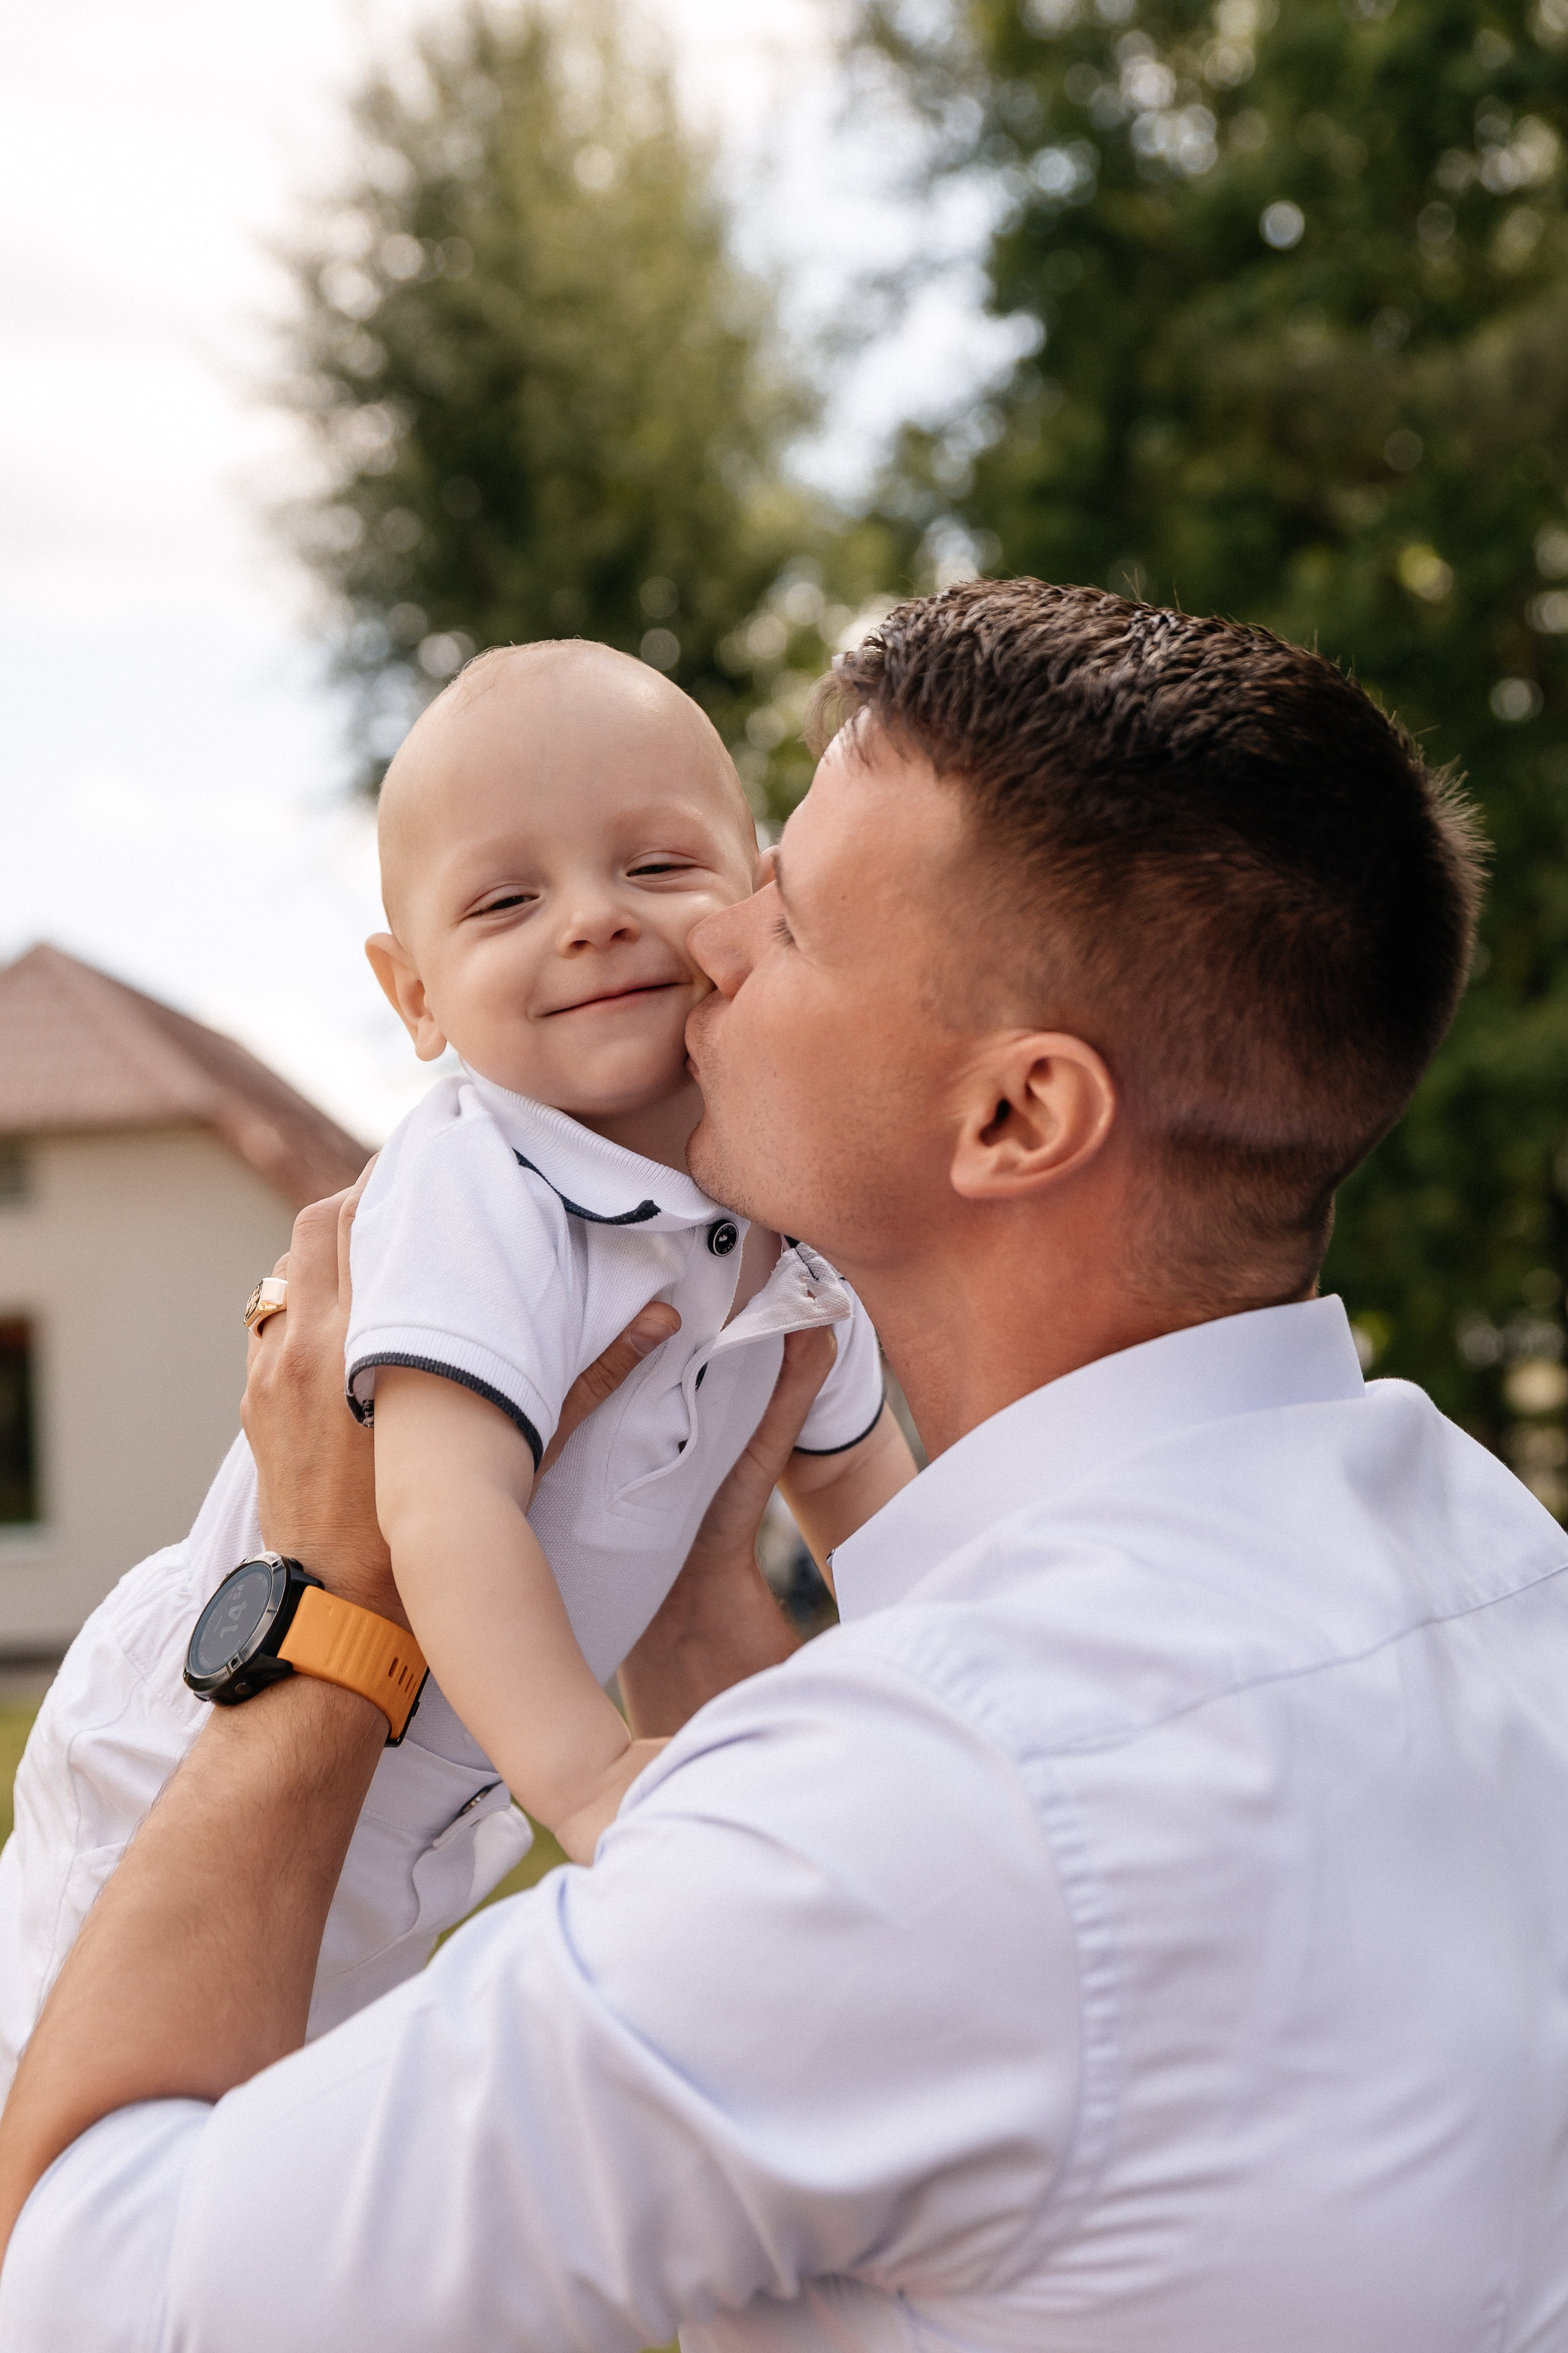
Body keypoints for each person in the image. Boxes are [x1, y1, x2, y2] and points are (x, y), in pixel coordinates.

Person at [4, 578, 1568, 2353]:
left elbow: (93, 2295)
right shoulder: (1496, 1564)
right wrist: (702, 1618)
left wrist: (323, 1604)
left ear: (1016, 1116)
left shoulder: (918, 1817)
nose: (712, 947)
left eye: (793, 919)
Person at [349, 639, 910, 1859]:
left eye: (655, 866)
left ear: (756, 898)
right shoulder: (477, 1175)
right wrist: (586, 1770)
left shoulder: (781, 1204)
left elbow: (868, 1505)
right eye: (506, 900)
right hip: (187, 1763)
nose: (595, 919)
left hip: (418, 1836)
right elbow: (444, 1506)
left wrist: (982, 1681)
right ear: (416, 998)